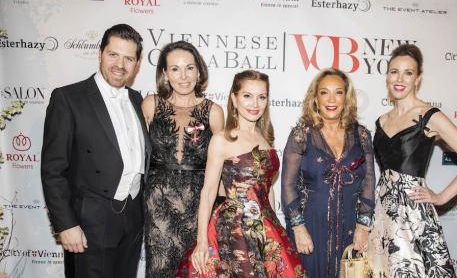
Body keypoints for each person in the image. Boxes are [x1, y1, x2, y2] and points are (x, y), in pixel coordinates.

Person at [41, 24, 150, 278]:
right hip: (89, 223)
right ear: (100, 53)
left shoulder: (137, 99)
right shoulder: (68, 98)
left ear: (137, 63)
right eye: (113, 54)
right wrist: (66, 224)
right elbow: (53, 170)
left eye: (129, 58)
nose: (120, 64)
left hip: (132, 221)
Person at [367, 44, 457, 278]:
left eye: (408, 73)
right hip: (383, 213)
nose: (400, 78)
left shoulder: (430, 116)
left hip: (413, 215)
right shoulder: (381, 121)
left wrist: (441, 197)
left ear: (418, 79)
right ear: (387, 75)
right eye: (394, 71)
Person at [176, 70, 305, 277]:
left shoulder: (265, 139)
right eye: (247, 96)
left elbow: (267, 188)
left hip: (265, 227)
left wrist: (276, 227)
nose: (255, 104)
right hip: (234, 230)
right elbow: (208, 193)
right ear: (234, 99)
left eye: (261, 97)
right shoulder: (222, 140)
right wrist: (202, 242)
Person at [281, 68, 376, 277]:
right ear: (315, 98)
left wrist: (364, 225)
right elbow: (288, 185)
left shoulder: (361, 135)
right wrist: (298, 228)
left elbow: (369, 180)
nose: (331, 99)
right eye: (324, 92)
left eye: (338, 92)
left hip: (350, 226)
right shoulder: (301, 135)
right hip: (311, 226)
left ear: (347, 97)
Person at [141, 40, 224, 277]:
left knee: (196, 271)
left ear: (198, 71)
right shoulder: (151, 105)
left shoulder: (213, 112)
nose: (183, 76)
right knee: (160, 270)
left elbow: (220, 167)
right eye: (175, 69)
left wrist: (222, 210)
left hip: (198, 206)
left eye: (189, 68)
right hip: (157, 205)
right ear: (165, 74)